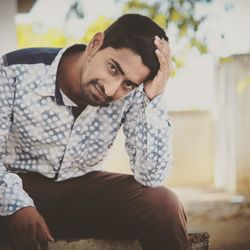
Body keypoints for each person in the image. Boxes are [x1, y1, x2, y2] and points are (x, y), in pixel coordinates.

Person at [0, 14, 188, 250]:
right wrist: (15, 204)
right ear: (95, 43)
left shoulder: (132, 96)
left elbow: (151, 176)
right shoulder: (14, 70)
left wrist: (153, 97)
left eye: (128, 84)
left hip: (83, 192)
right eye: (113, 68)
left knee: (163, 203)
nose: (111, 90)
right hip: (18, 183)